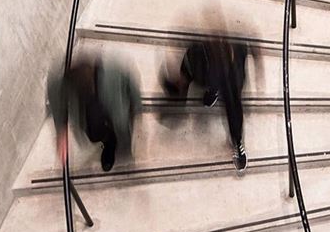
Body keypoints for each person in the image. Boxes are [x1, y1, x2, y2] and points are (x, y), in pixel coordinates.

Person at [160, 34, 262, 174]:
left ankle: (238, 144)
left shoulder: (227, 73)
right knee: (205, 80)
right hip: (213, 65)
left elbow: (234, 109)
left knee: (233, 104)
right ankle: (212, 91)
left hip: (231, 69)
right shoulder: (189, 61)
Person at [48, 55, 141, 173]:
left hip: (118, 109)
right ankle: (109, 143)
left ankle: (125, 147)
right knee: (94, 133)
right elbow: (56, 98)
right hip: (90, 110)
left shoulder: (113, 70)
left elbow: (131, 82)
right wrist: (61, 132)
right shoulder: (61, 84)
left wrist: (137, 108)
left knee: (122, 128)